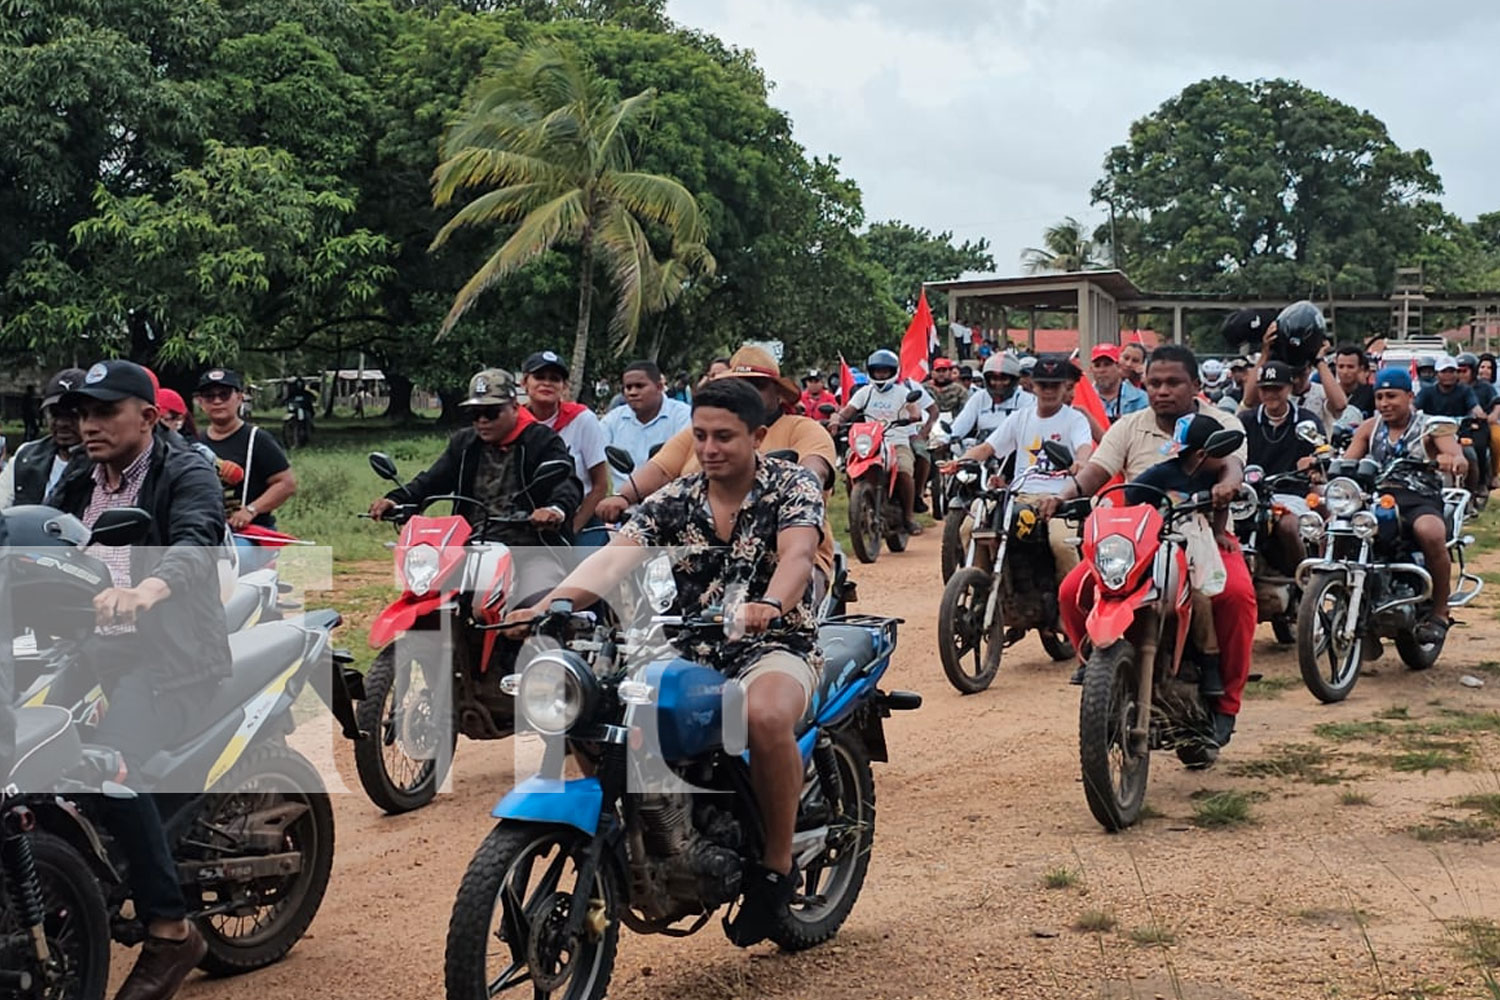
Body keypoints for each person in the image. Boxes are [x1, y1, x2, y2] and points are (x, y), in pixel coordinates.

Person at [505, 378, 823, 946]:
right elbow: (614, 555)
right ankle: (648, 833)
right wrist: (552, 604)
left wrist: (770, 604)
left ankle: (776, 869)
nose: (709, 448)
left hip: (772, 644)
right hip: (684, 646)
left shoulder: (791, 487)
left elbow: (797, 555)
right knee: (590, 707)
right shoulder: (675, 498)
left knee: (767, 717)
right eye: (699, 436)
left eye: (724, 436)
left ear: (758, 435)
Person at [50, 359, 231, 1000]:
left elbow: (197, 536)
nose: (88, 425)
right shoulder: (77, 478)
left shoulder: (186, 470)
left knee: (109, 769)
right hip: (87, 651)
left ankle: (170, 930)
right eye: (83, 413)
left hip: (171, 659)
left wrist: (149, 588)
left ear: (149, 417)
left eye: (105, 412)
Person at [1040, 345, 1253, 746]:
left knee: (1236, 599)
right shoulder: (1129, 426)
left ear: (1194, 386)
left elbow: (1232, 464)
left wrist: (1228, 486)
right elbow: (1095, 472)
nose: (1162, 391)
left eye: (1173, 383)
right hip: (1135, 537)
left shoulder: (1219, 423)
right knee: (1073, 591)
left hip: (1202, 533)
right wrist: (1063, 496)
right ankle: (1097, 666)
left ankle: (1226, 703)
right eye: (1154, 383)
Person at [597, 345, 839, 607]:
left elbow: (814, 471)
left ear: (777, 394)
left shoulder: (803, 432)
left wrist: (789, 493)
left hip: (779, 558)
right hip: (697, 561)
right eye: (739, 385)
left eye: (756, 386)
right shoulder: (694, 449)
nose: (711, 449)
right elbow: (661, 468)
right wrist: (622, 497)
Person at [369, 368, 582, 599]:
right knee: (428, 599)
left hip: (530, 549)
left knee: (532, 608)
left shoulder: (541, 439)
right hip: (469, 545)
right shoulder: (465, 442)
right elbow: (433, 480)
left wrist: (554, 509)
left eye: (491, 412)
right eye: (474, 413)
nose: (482, 421)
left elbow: (566, 481)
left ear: (513, 407)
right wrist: (396, 499)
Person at [1343, 368, 1467, 644]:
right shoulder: (1369, 427)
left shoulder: (1429, 426)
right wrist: (1323, 466)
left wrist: (1452, 459)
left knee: (1431, 532)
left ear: (1409, 396)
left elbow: (1455, 452)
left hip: (1419, 498)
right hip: (1376, 498)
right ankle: (1344, 600)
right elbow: (1348, 460)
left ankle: (1440, 611)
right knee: (1334, 529)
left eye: (1392, 396)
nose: (1385, 403)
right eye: (1379, 397)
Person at [945, 355, 1093, 584]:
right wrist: (960, 462)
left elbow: (1084, 447)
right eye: (1043, 384)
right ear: (1033, 385)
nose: (1049, 391)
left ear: (1066, 387)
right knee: (970, 526)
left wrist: (1081, 462)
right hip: (1019, 495)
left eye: (1055, 385)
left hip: (1059, 499)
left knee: (1061, 544)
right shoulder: (1020, 417)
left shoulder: (1075, 420)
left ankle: (1070, 608)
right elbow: (987, 447)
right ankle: (980, 589)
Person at [194, 368, 298, 572]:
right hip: (206, 532)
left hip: (248, 534)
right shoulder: (195, 442)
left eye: (224, 395)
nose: (217, 401)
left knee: (228, 564)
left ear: (239, 398)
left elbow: (286, 484)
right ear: (200, 402)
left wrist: (251, 510)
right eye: (209, 396)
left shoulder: (257, 439)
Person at [1238, 361, 1324, 574]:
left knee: (1288, 526)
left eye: (1277, 388)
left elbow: (1321, 458)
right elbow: (1233, 456)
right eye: (1265, 388)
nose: (1271, 394)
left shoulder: (1307, 421)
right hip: (1249, 495)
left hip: (1291, 493)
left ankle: (1302, 577)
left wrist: (1312, 464)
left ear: (1289, 388)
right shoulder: (1246, 420)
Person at [828, 349, 927, 535]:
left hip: (896, 441)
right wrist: (837, 419)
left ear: (892, 371)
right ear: (871, 372)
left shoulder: (902, 392)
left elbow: (914, 408)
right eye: (877, 371)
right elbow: (848, 410)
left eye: (885, 371)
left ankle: (908, 518)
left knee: (905, 470)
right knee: (850, 468)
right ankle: (856, 515)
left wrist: (914, 415)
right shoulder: (865, 392)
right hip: (869, 441)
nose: (881, 374)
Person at [520, 350, 610, 546]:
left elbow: (600, 485)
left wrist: (573, 529)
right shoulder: (515, 422)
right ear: (524, 383)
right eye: (539, 377)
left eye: (555, 379)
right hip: (525, 522)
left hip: (579, 517)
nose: (547, 383)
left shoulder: (582, 420)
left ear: (564, 387)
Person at [1, 367, 87, 507]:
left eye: (72, 414)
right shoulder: (26, 457)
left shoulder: (104, 465)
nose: (62, 423)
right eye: (55, 414)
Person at [600, 360, 692, 488]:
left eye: (639, 386)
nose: (632, 392)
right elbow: (595, 456)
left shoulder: (683, 416)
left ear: (659, 387)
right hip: (622, 501)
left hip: (668, 499)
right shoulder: (613, 419)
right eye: (628, 387)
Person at [949, 353, 1036, 447]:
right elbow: (960, 425)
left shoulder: (1027, 400)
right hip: (982, 453)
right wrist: (947, 439)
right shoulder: (979, 398)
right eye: (994, 379)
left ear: (1013, 380)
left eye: (1004, 379)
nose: (998, 383)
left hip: (1015, 452)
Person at [1415, 355, 1485, 420]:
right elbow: (1413, 408)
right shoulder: (1426, 391)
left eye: (1451, 371)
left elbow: (1475, 407)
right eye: (1444, 371)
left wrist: (1480, 415)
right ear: (1436, 374)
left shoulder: (1466, 390)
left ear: (1456, 373)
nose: (1448, 375)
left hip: (1459, 430)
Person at [1090, 345, 1148, 421]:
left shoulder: (1140, 399)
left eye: (1107, 364)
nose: (1102, 370)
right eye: (1097, 366)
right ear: (1091, 369)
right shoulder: (1083, 399)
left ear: (1119, 366)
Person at [1333, 344, 1377, 420]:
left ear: (1360, 368)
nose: (1345, 371)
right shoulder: (1328, 393)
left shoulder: (1371, 394)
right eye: (1341, 366)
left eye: (1350, 367)